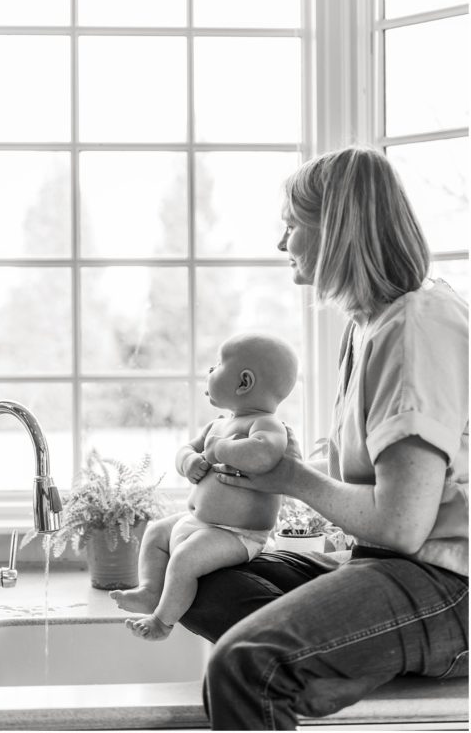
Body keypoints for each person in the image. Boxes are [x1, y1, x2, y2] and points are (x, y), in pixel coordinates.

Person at [179, 146, 469, 729]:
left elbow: (401, 524)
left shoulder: (414, 330)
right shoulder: (367, 326)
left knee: (245, 663)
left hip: (448, 583)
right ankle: (354, 647)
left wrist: (288, 476)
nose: (281, 242)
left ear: (336, 228)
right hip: (388, 566)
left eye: (292, 226)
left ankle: (353, 647)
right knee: (200, 576)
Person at [114, 333, 298, 641]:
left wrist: (220, 451)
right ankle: (150, 590)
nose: (210, 372)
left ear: (244, 383)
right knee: (157, 530)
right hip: (197, 522)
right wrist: (188, 461)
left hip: (238, 534)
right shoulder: (216, 425)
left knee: (185, 560)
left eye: (217, 365)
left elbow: (265, 453)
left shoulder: (267, 426)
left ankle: (162, 622)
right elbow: (185, 449)